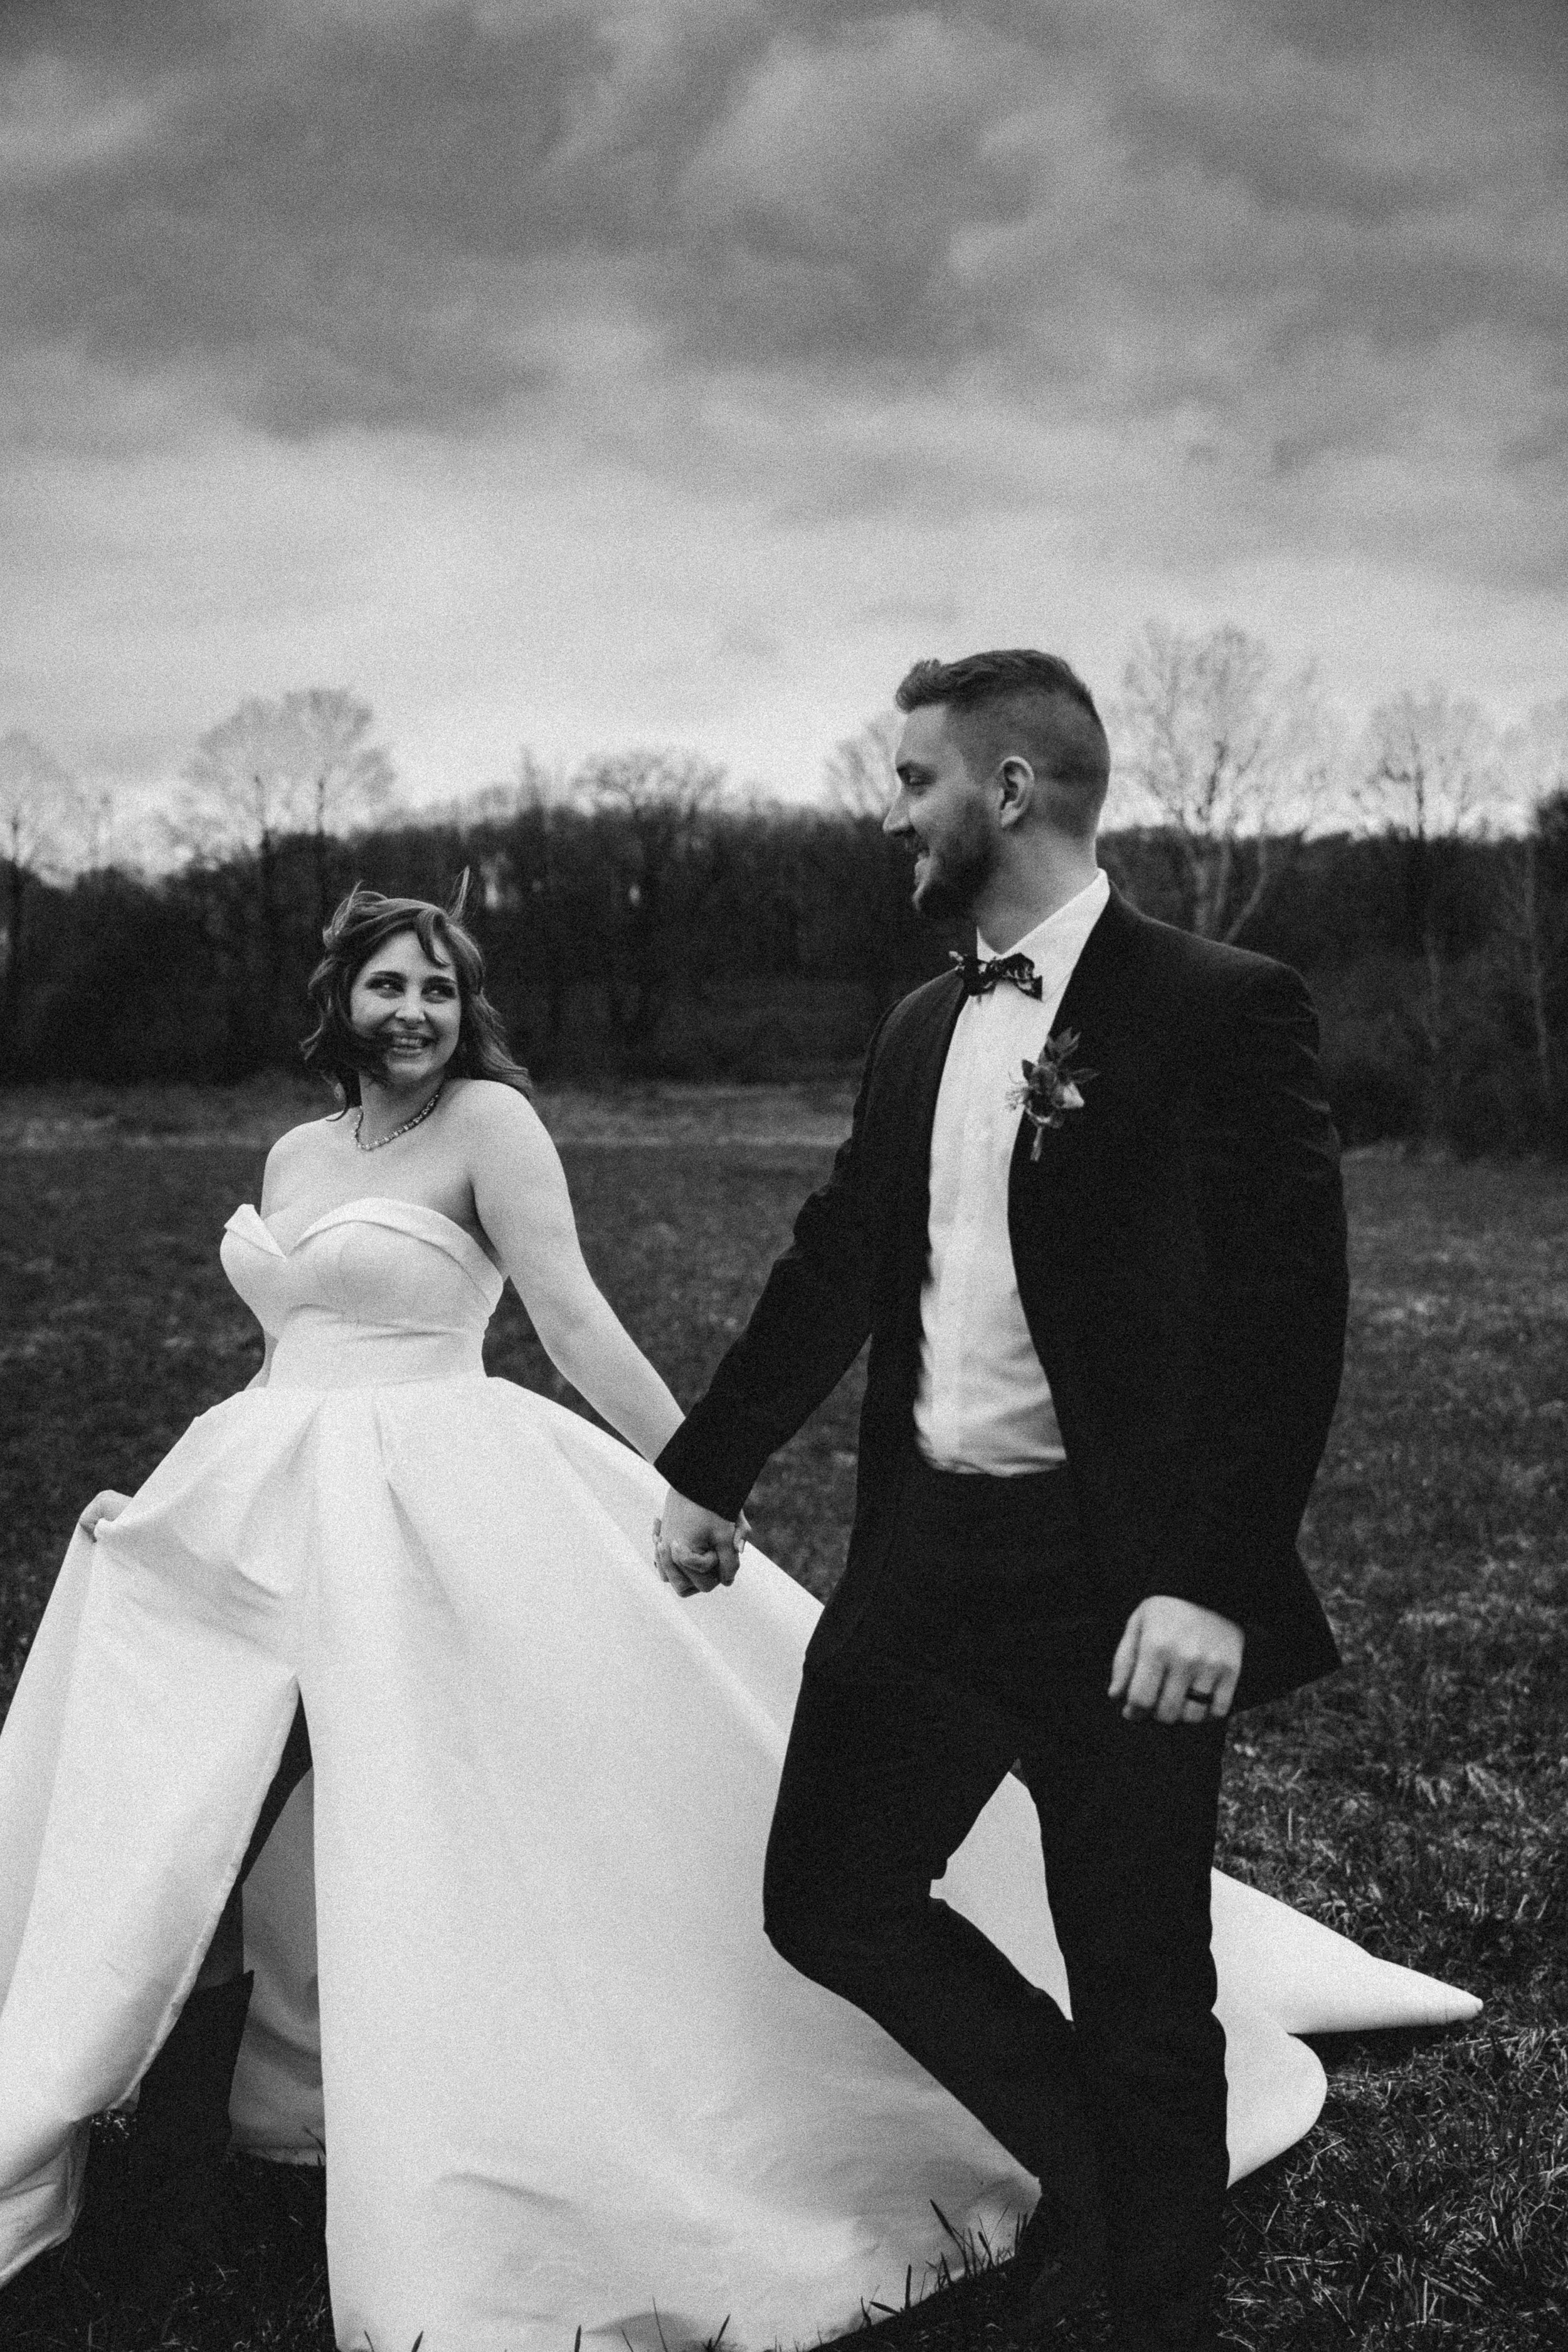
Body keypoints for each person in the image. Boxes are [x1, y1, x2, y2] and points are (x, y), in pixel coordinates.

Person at [0, 872, 1478, 2352]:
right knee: (211, 1806)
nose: (416, 1013)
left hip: (427, 1509)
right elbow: (287, 1357)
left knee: (439, 1809)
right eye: (389, 985)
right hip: (263, 1508)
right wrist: (173, 1519)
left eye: (440, 988)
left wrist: (692, 1474)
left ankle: (458, 2135)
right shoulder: (297, 1148)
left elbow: (570, 1314)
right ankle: (168, 2178)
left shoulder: (491, 1127)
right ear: (338, 998)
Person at [655, 647, 1352, 2349]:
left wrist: (1207, 1576)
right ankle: (1099, 2178)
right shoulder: (917, 1025)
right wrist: (707, 1465)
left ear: (1009, 789)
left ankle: (1157, 2307)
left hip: (1120, 1585)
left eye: (912, 777)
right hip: (928, 1559)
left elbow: (1286, 1310)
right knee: (827, 1893)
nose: (892, 807)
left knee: (1139, 1987)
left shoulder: (1212, 1002)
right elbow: (837, 1261)